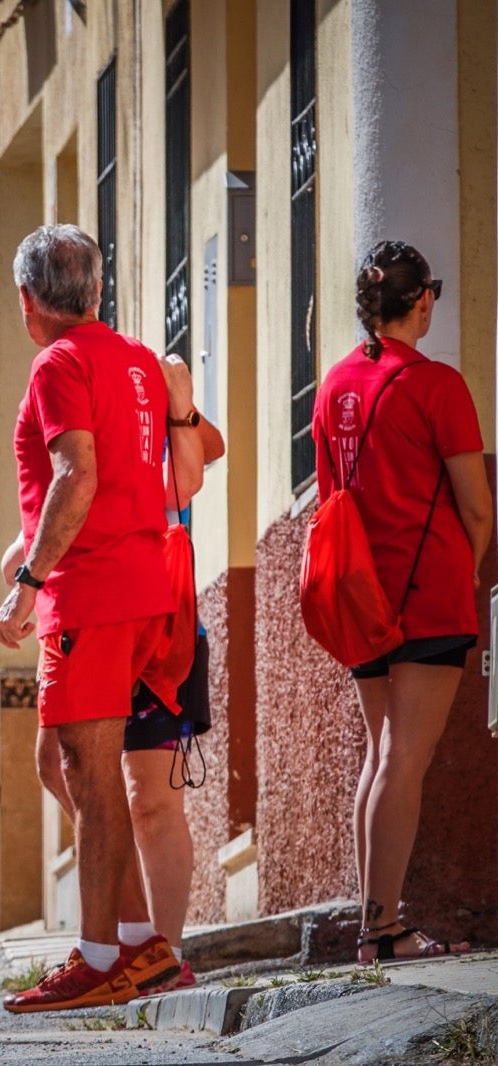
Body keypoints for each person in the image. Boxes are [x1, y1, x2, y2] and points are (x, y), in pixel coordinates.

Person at [0, 224, 180, 1013]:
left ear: (28, 300)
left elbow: (75, 472)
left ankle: (98, 954)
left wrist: (29, 581)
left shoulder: (58, 363)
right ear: (96, 292)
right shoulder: (139, 360)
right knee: (58, 761)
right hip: (144, 582)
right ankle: (143, 945)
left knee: (91, 773)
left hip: (93, 588)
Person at [5, 353, 224, 995]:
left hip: (158, 614)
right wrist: (30, 559)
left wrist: (178, 405)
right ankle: (141, 942)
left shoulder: (141, 391)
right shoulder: (75, 406)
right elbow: (68, 493)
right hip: (93, 607)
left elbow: (204, 454)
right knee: (76, 773)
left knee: (152, 799)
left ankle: (165, 953)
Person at [313, 240, 490, 964]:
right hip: (427, 595)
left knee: (381, 756)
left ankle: (373, 920)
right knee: (403, 759)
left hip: (360, 594)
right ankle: (381, 931)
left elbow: (330, 498)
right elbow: (478, 507)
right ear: (423, 302)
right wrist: (468, 572)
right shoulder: (438, 385)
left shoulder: (331, 388)